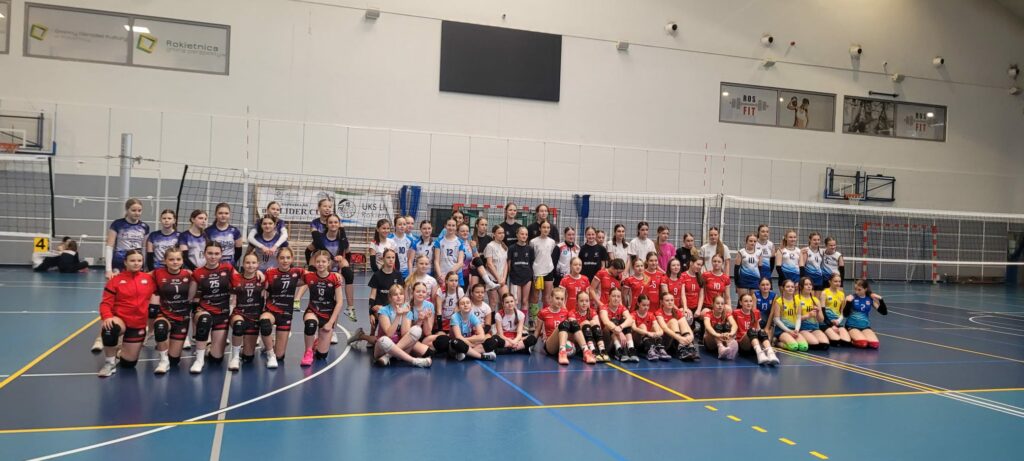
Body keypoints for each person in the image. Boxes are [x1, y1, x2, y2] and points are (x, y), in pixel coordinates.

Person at [96, 249, 155, 377]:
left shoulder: (149, 279)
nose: (136, 263)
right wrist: (107, 317)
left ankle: (119, 351)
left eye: (139, 260)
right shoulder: (115, 280)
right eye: (132, 260)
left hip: (138, 324)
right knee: (110, 329)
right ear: (125, 262)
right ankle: (109, 363)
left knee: (128, 364)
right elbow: (105, 303)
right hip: (120, 319)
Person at [188, 242, 237, 373]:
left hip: (222, 313)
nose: (213, 256)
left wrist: (258, 274)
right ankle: (199, 360)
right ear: (204, 254)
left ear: (221, 255)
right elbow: (190, 296)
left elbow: (241, 281)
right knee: (204, 321)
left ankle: (209, 347)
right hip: (204, 310)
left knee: (216, 359)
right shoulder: (198, 272)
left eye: (216, 253)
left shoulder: (228, 268)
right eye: (210, 253)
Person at [262, 247, 305, 368]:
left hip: (286, 314)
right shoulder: (270, 272)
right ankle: (270, 354)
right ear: (277, 259)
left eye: (288, 258)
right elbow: (261, 286)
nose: (285, 260)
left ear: (292, 259)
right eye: (282, 258)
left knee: (280, 356)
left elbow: (315, 276)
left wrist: (334, 274)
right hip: (271, 310)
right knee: (265, 323)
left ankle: (273, 347)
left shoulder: (297, 272)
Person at [370, 285, 433, 367]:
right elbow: (389, 334)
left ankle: (388, 356)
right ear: (390, 297)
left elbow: (404, 334)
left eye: (401, 294)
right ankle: (415, 361)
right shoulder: (384, 310)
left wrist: (404, 315)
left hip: (401, 347)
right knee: (384, 340)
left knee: (417, 329)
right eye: (395, 294)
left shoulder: (407, 311)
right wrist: (398, 315)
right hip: (383, 348)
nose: (399, 296)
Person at [151, 248, 192, 374]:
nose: (175, 262)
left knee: (174, 360)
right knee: (160, 328)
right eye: (171, 259)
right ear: (165, 261)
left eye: (178, 259)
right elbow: (138, 276)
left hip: (182, 318)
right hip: (164, 314)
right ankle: (163, 361)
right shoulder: (157, 273)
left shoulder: (189, 275)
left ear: (182, 260)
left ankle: (168, 356)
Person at [299, 250, 343, 366]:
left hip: (327, 315)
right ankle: (308, 352)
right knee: (310, 324)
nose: (320, 264)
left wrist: (331, 323)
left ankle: (316, 342)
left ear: (329, 263)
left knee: (321, 356)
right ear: (314, 263)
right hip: (313, 310)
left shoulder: (334, 278)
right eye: (318, 261)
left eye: (323, 261)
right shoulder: (309, 276)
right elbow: (291, 279)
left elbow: (339, 302)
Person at [309, 214, 353, 324]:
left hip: (336, 269)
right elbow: (308, 250)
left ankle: (350, 308)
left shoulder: (343, 239)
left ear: (339, 224)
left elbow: (348, 253)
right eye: (331, 222)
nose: (333, 224)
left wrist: (343, 267)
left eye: (335, 222)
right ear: (327, 224)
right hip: (324, 270)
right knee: (322, 299)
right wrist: (311, 264)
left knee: (335, 300)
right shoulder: (320, 239)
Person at [228, 252, 267, 371]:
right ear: (243, 264)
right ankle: (235, 357)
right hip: (239, 313)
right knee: (239, 325)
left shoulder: (263, 279)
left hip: (254, 317)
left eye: (254, 263)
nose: (251, 265)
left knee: (248, 358)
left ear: (258, 264)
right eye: (248, 262)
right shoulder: (235, 278)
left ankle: (244, 351)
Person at [537, 287, 588, 365]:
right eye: (557, 298)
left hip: (563, 341)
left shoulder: (566, 312)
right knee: (564, 324)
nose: (559, 301)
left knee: (574, 324)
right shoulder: (543, 312)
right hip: (550, 345)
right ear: (551, 298)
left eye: (562, 299)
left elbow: (575, 326)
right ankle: (562, 351)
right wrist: (530, 344)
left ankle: (586, 351)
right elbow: (537, 331)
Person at [105, 198, 149, 280]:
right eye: (133, 210)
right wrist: (108, 269)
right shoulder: (117, 224)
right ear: (127, 210)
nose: (137, 213)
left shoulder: (144, 227)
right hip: (119, 262)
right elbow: (109, 247)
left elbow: (144, 248)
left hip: (136, 262)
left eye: (139, 210)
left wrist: (145, 266)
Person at [733, 293, 779, 365]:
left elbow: (758, 328)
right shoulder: (736, 313)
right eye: (746, 301)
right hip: (743, 345)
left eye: (750, 301)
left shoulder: (756, 312)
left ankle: (770, 353)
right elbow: (733, 328)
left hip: (754, 345)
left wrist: (764, 341)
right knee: (751, 330)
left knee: (761, 331)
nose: (749, 303)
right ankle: (760, 354)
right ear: (740, 302)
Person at [447, 296, 497, 361]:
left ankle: (465, 354)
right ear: (459, 307)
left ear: (471, 306)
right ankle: (482, 356)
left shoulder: (473, 316)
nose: (465, 305)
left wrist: (468, 340)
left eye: (468, 303)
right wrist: (471, 343)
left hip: (468, 343)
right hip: (457, 344)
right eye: (462, 303)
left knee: (492, 341)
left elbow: (481, 336)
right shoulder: (454, 317)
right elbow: (458, 337)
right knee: (456, 342)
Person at [844, 279, 887, 349]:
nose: (856, 292)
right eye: (855, 289)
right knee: (862, 343)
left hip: (865, 326)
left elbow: (884, 312)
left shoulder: (869, 299)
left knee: (875, 344)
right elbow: (845, 314)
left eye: (859, 290)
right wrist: (848, 302)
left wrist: (881, 299)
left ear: (865, 289)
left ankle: (859, 335)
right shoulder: (852, 298)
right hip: (852, 326)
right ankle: (850, 338)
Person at [598, 287, 638, 362]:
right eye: (613, 296)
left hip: (619, 338)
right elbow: (606, 322)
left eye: (618, 296)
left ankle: (631, 348)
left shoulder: (622, 308)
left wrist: (621, 327)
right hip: (607, 341)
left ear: (620, 298)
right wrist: (620, 332)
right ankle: (618, 349)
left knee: (625, 321)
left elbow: (630, 320)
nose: (616, 299)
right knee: (613, 321)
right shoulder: (604, 308)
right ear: (609, 297)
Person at [655, 292, 698, 361]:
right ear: (662, 302)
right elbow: (664, 328)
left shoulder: (677, 312)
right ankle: (682, 348)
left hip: (679, 340)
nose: (670, 302)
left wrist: (691, 337)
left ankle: (689, 348)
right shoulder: (658, 313)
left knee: (682, 321)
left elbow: (687, 326)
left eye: (672, 300)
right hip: (666, 341)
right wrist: (680, 338)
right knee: (673, 321)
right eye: (667, 300)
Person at [507, 226, 535, 325]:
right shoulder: (512, 248)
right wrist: (510, 276)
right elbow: (509, 264)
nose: (524, 236)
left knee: (524, 301)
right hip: (515, 278)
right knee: (515, 301)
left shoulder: (530, 249)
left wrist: (532, 276)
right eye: (522, 234)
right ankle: (515, 323)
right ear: (517, 235)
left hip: (527, 277)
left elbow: (531, 263)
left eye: (526, 234)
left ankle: (522, 324)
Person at [529, 221, 558, 312]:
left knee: (547, 297)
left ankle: (545, 317)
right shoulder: (533, 242)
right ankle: (533, 318)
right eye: (544, 227)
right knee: (535, 296)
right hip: (537, 272)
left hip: (549, 270)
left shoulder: (552, 242)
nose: (546, 229)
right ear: (540, 228)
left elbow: (550, 254)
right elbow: (532, 256)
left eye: (548, 227)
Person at [568, 291, 604, 363]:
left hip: (592, 339)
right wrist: (584, 324)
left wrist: (589, 324)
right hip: (578, 342)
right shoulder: (572, 313)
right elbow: (574, 329)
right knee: (586, 323)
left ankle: (602, 350)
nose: (584, 303)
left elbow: (598, 326)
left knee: (594, 323)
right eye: (581, 301)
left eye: (587, 301)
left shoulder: (592, 312)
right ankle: (591, 350)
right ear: (577, 302)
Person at [771, 279, 806, 352]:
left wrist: (796, 330)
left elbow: (798, 318)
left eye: (792, 287)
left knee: (804, 347)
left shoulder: (798, 301)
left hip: (794, 329)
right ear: (783, 288)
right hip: (782, 330)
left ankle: (789, 338)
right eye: (788, 286)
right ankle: (777, 342)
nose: (790, 288)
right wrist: (788, 331)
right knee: (793, 347)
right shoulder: (778, 301)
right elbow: (776, 320)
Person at [631, 294, 667, 362]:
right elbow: (634, 328)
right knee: (642, 326)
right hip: (637, 342)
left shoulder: (650, 314)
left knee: (655, 326)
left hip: (649, 341)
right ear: (638, 304)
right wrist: (647, 333)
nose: (646, 307)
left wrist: (657, 333)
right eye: (644, 305)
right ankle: (649, 349)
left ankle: (659, 347)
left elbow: (660, 330)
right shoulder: (633, 314)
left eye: (648, 305)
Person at [795, 277, 829, 350]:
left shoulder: (815, 300)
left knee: (825, 344)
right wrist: (808, 316)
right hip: (803, 328)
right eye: (806, 284)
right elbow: (793, 319)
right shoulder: (796, 299)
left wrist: (818, 312)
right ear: (800, 287)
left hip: (814, 328)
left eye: (810, 284)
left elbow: (821, 320)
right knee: (815, 343)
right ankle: (800, 338)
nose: (809, 286)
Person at [820, 272, 852, 346]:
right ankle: (824, 333)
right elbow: (822, 312)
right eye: (835, 281)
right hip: (826, 322)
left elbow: (842, 312)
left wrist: (838, 321)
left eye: (839, 281)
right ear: (830, 282)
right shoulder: (824, 293)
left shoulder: (842, 294)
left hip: (837, 322)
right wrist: (831, 324)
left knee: (846, 342)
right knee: (836, 341)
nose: (838, 283)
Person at [433, 218, 466, 288]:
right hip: (441, 275)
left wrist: (447, 275)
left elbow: (460, 263)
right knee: (440, 294)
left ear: (456, 227)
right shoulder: (439, 241)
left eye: (453, 225)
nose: (451, 227)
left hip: (455, 275)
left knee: (457, 294)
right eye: (449, 225)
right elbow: (436, 261)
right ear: (445, 226)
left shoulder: (460, 242)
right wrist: (440, 276)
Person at [703, 295, 738, 360]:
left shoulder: (726, 314)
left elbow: (734, 325)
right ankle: (721, 347)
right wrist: (717, 335)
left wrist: (730, 333)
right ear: (713, 304)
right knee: (717, 326)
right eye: (718, 303)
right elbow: (708, 327)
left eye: (722, 304)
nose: (720, 305)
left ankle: (729, 346)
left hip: (723, 339)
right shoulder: (708, 314)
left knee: (727, 327)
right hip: (711, 343)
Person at [482, 225, 508, 306]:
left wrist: (503, 278)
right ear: (494, 234)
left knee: (506, 299)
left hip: (502, 278)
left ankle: (501, 315)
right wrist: (498, 278)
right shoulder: (490, 246)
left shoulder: (504, 246)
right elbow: (489, 264)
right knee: (493, 302)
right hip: (492, 278)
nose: (502, 235)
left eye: (503, 233)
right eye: (499, 233)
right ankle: (492, 315)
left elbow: (505, 264)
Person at [734, 234, 761, 298]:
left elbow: (760, 267)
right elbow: (736, 268)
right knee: (742, 300)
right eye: (750, 241)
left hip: (755, 279)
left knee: (754, 301)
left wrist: (760, 280)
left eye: (754, 241)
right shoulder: (741, 252)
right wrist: (736, 283)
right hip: (743, 279)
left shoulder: (759, 252)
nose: (753, 243)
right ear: (746, 241)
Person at [800, 232, 825, 296]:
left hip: (819, 278)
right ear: (810, 240)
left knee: (817, 299)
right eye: (814, 240)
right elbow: (802, 265)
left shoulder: (822, 251)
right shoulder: (806, 251)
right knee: (810, 298)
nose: (816, 242)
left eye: (818, 240)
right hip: (809, 278)